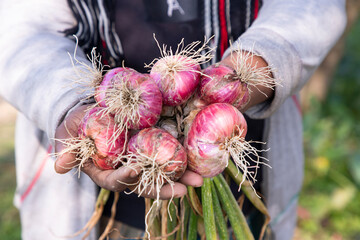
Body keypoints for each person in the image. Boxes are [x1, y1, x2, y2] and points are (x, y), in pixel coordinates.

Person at [0, 0, 346, 239]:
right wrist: (70, 103)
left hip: (253, 171)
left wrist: (262, 61)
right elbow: (18, 26)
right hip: (87, 194)